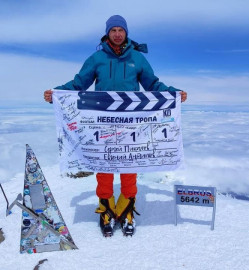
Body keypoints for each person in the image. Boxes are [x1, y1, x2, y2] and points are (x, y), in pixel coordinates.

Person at [44, 15, 187, 237]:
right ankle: (106, 210)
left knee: (130, 166)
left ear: (126, 33)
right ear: (107, 33)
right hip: (102, 124)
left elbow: (153, 84)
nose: (118, 34)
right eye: (114, 30)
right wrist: (57, 93)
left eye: (121, 30)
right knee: (104, 168)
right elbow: (78, 83)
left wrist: (174, 94)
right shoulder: (97, 58)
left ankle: (127, 210)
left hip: (131, 124)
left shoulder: (137, 58)